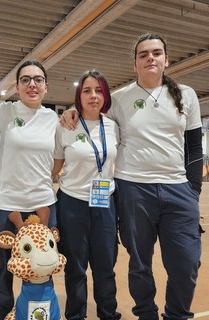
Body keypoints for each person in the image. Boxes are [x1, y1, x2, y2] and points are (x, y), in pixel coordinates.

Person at [61, 33, 203, 320]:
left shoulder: (186, 95)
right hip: (133, 188)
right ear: (135, 63)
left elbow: (195, 147)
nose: (150, 57)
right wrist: (72, 110)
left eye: (156, 52)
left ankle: (176, 314)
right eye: (143, 54)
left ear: (165, 58)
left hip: (178, 189)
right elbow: (92, 109)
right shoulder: (121, 98)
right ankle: (146, 314)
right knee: (140, 263)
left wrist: (193, 189)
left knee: (186, 263)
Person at [0, 60, 58, 320]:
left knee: (41, 272)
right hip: (7, 205)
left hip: (43, 205)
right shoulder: (3, 112)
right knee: (2, 271)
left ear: (46, 87)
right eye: (26, 79)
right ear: (17, 86)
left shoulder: (53, 118)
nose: (32, 84)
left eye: (38, 79)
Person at [52, 70, 121, 320]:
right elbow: (54, 169)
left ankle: (108, 313)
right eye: (87, 91)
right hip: (72, 204)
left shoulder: (113, 126)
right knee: (76, 268)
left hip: (105, 202)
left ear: (105, 95)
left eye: (99, 90)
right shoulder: (66, 125)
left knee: (105, 266)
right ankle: (75, 315)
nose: (93, 96)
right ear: (78, 96)